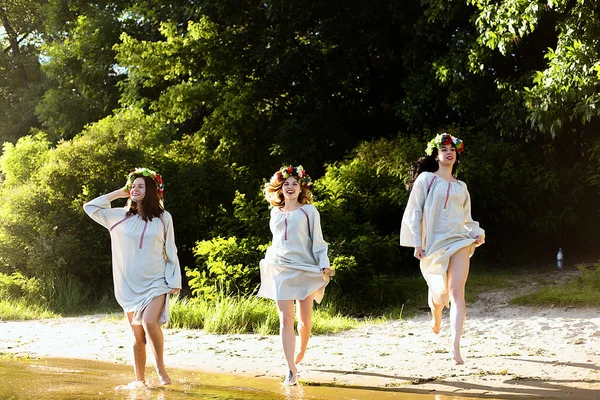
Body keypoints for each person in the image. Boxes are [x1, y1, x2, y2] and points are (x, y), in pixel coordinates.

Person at [83, 167, 182, 386]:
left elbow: (171, 249)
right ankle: (140, 381)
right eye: (133, 186)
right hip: (129, 286)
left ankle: (160, 369)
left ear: (152, 191)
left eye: (140, 186)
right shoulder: (118, 216)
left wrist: (174, 281)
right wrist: (119, 193)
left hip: (157, 281)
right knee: (137, 336)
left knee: (149, 322)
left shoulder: (164, 218)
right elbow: (89, 207)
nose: (135, 189)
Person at [400, 133, 485, 365]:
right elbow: (414, 211)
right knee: (441, 295)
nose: (449, 152)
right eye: (444, 149)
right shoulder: (426, 180)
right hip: (434, 244)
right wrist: (417, 241)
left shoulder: (461, 186)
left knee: (457, 293)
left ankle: (455, 346)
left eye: (453, 150)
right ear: (436, 155)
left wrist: (477, 233)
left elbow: (467, 218)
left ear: (456, 156)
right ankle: (436, 312)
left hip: (459, 240)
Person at [258, 165, 333, 386]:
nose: (290, 187)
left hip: (305, 268)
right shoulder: (274, 212)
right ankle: (290, 369)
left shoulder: (309, 211)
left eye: (294, 183)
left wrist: (323, 263)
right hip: (281, 269)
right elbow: (277, 241)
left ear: (301, 188)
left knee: (305, 321)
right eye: (286, 184)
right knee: (285, 319)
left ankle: (302, 348)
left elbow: (318, 241)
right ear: (280, 188)